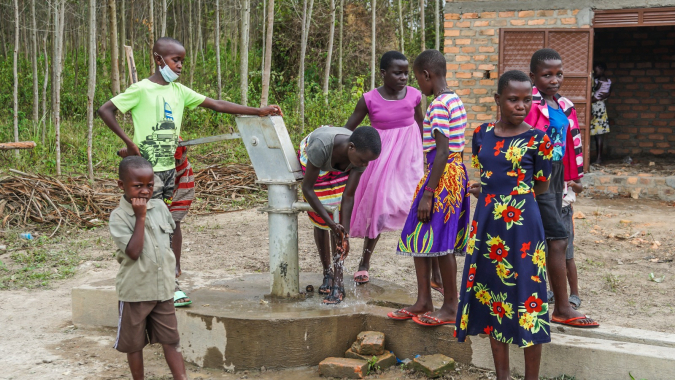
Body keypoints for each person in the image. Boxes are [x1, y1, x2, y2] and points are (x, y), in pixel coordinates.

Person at [99, 37, 282, 307]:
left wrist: (258, 111)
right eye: (176, 60)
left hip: (172, 169)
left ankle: (173, 272)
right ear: (159, 60)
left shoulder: (179, 91)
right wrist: (129, 142)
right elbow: (105, 110)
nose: (180, 66)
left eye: (182, 60)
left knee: (174, 222)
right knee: (152, 226)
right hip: (147, 175)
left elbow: (217, 104)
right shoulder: (141, 89)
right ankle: (166, 285)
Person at [457, 70, 552, 380]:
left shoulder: (540, 140)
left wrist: (510, 196)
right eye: (513, 99)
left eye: (528, 100)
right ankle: (502, 376)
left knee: (527, 297)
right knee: (492, 295)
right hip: (486, 226)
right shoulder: (481, 133)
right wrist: (487, 191)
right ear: (498, 99)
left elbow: (541, 186)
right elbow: (483, 171)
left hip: (523, 227)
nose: (521, 106)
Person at [346, 51, 444, 291]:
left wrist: (428, 155)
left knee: (420, 206)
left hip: (409, 160)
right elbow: (349, 129)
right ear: (383, 73)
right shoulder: (368, 99)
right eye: (397, 72)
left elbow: (421, 124)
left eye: (406, 73)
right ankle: (364, 262)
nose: (403, 77)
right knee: (378, 209)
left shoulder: (414, 95)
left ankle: (435, 273)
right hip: (380, 161)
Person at [387, 49, 469, 326]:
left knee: (440, 243)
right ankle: (424, 301)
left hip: (442, 176)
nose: (417, 87)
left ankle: (450, 307)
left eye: (418, 80)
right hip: (453, 173)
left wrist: (429, 193)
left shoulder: (438, 105)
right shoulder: (455, 100)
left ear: (427, 75)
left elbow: (443, 151)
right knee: (420, 235)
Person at [524, 48, 599, 328]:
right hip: (535, 177)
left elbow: (570, 143)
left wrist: (573, 176)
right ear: (533, 76)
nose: (554, 79)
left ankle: (550, 300)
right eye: (547, 74)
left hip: (556, 175)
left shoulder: (564, 105)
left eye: (559, 74)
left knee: (550, 236)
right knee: (554, 235)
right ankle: (561, 307)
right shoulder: (527, 103)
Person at [109, 156, 188, 380]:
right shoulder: (119, 217)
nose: (145, 191)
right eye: (138, 186)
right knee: (134, 344)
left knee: (172, 339)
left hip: (163, 289)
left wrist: (174, 267)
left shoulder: (161, 207)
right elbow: (133, 252)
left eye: (150, 185)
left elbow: (170, 238)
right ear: (121, 185)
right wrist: (140, 217)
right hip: (136, 292)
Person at [298, 126, 382, 304]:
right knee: (320, 213)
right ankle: (327, 272)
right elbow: (307, 188)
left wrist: (344, 233)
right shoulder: (319, 148)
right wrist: (330, 223)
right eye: (363, 161)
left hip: (340, 160)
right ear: (351, 147)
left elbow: (348, 196)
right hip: (315, 156)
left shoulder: (360, 158)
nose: (364, 165)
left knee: (336, 204)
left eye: (368, 162)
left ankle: (337, 281)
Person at [562, 178, 583, 309]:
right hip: (546, 208)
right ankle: (552, 292)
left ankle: (574, 294)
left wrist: (574, 184)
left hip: (564, 210)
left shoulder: (569, 165)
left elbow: (580, 187)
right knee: (549, 254)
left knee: (568, 255)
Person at [590, 62, 612, 164]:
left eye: (596, 70)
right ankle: (599, 158)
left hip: (594, 108)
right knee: (599, 134)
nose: (594, 72)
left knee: (595, 134)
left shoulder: (596, 81)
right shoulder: (609, 81)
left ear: (602, 70)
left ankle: (597, 158)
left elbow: (594, 95)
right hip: (601, 107)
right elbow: (607, 94)